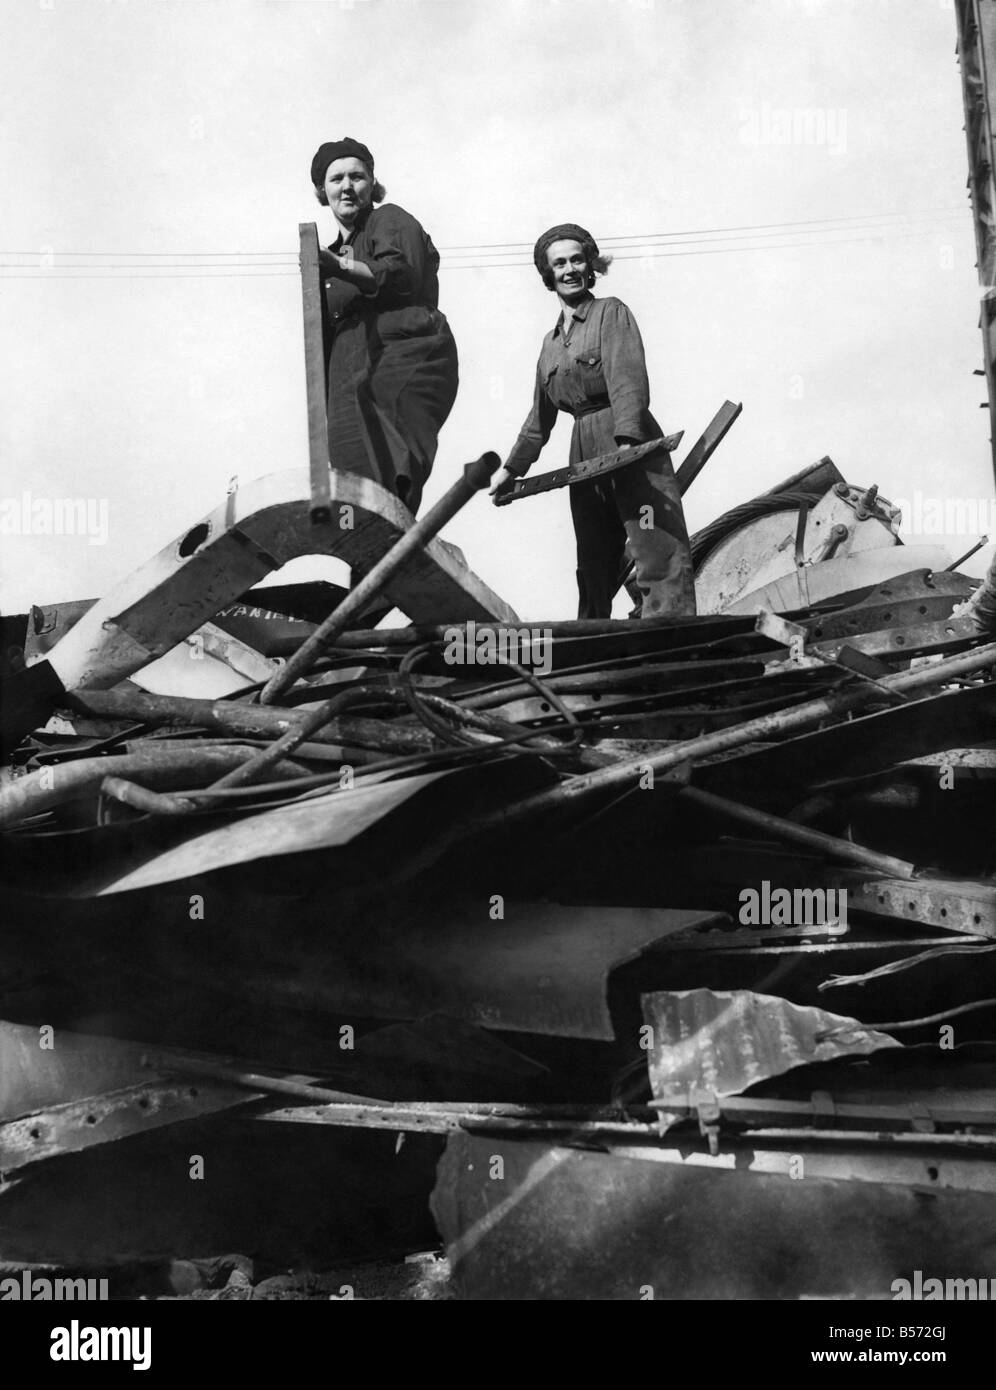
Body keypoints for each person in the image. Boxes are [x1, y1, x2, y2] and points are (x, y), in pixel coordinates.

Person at [491, 223, 696, 620]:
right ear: (547, 274)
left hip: (626, 439)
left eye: (576, 260)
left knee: (653, 542)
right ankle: (592, 635)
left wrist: (627, 444)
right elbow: (539, 418)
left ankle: (670, 632)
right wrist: (510, 468)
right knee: (593, 556)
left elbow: (627, 381)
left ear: (590, 266)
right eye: (559, 263)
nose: (568, 269)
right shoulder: (550, 344)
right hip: (582, 451)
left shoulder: (611, 312)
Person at [311, 137, 458, 515]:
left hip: (404, 347)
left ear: (372, 184)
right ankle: (368, 554)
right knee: (351, 473)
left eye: (357, 177)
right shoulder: (327, 257)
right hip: (347, 371)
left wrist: (341, 267)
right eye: (336, 178)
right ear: (321, 191)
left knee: (390, 457)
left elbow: (400, 276)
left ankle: (396, 536)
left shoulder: (388, 219)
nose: (347, 186)